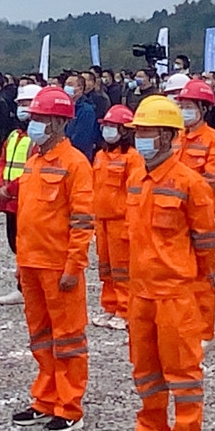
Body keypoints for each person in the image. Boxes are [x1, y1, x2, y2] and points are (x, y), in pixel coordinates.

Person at [109, 95, 215, 431]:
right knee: (145, 368)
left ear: (170, 136)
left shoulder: (190, 183)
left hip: (175, 293)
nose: (141, 139)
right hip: (141, 292)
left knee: (183, 370)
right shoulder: (137, 178)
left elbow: (207, 243)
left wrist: (196, 285)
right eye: (139, 132)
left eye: (149, 132)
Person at [9, 86, 96, 431]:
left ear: (59, 123)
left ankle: (70, 405)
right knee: (41, 337)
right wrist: (21, 264)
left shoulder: (75, 164)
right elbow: (26, 218)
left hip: (58, 267)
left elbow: (82, 221)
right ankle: (45, 398)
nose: (34, 124)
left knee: (68, 338)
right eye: (34, 117)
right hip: (32, 264)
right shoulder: (33, 162)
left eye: (41, 118)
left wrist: (74, 266)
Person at [174, 78, 215, 346]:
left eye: (189, 106)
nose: (184, 110)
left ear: (203, 109)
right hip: (175, 219)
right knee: (179, 276)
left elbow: (212, 182)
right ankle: (184, 327)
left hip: (202, 218)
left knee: (203, 278)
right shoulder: (176, 137)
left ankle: (204, 332)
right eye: (182, 105)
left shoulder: (213, 140)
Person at [91, 104, 140, 329]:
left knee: (122, 269)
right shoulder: (100, 156)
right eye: (106, 126)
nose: (108, 130)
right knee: (106, 268)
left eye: (113, 126)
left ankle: (125, 310)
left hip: (120, 221)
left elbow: (135, 192)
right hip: (101, 221)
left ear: (124, 130)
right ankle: (110, 306)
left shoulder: (133, 158)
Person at [0, 84, 41, 306]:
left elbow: (35, 170)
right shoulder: (14, 135)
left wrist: (10, 188)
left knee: (27, 245)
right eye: (20, 104)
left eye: (26, 103)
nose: (22, 108)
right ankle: (24, 286)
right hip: (10, 202)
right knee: (16, 245)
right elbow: (1, 162)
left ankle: (26, 288)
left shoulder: (38, 140)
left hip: (26, 200)